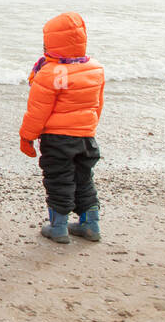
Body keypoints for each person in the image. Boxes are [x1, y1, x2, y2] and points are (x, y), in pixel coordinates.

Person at [19, 12, 105, 244]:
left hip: (58, 140)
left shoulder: (50, 73)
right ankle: (91, 224)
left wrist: (26, 137)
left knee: (59, 180)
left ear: (52, 43)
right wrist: (89, 128)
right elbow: (97, 105)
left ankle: (58, 227)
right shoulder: (95, 69)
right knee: (84, 178)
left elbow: (38, 111)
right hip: (86, 137)